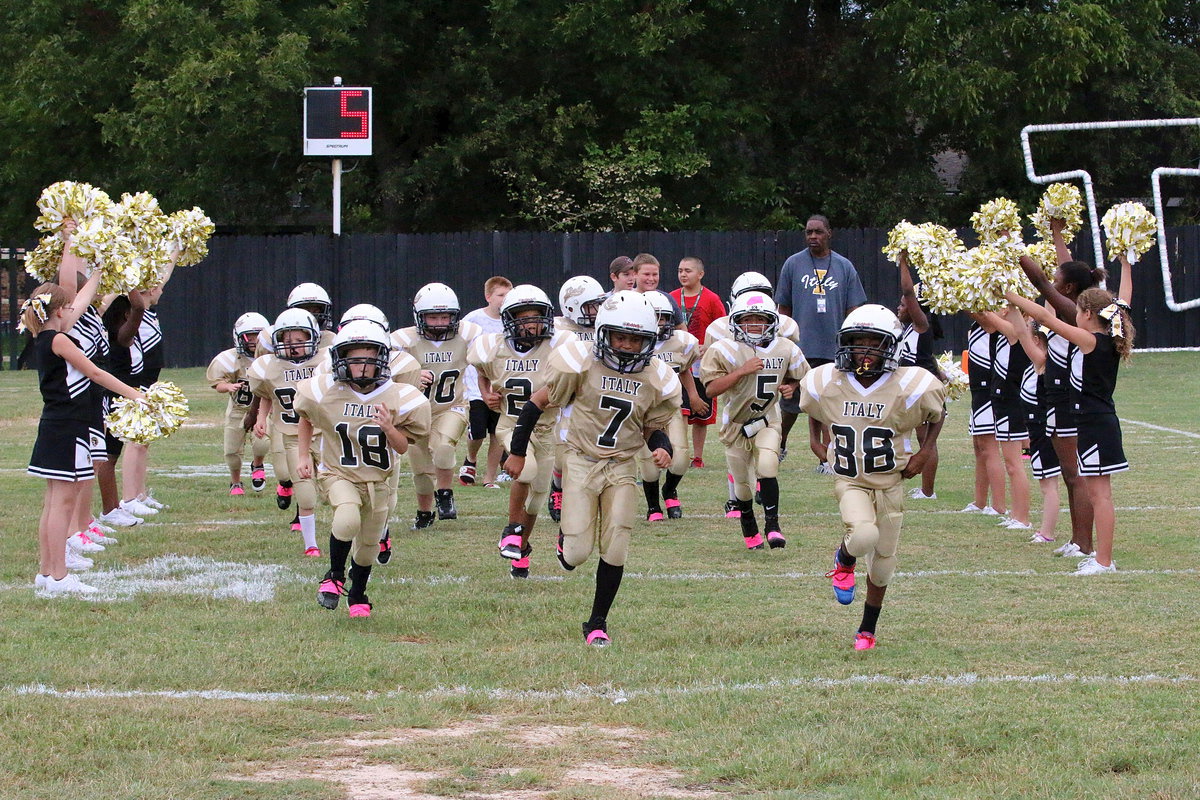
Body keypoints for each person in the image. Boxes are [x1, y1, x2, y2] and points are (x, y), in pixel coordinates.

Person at [504, 290, 681, 645]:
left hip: (621, 465)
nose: (628, 346)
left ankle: (597, 622)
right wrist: (519, 452)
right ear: (604, 333)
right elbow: (536, 403)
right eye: (621, 337)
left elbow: (651, 427)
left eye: (636, 339)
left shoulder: (657, 377)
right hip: (581, 460)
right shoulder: (578, 363)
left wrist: (662, 447)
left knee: (616, 545)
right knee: (576, 554)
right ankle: (565, 540)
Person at [800, 305, 945, 650]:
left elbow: (937, 414)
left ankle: (867, 629)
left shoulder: (912, 385)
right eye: (857, 341)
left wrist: (926, 451)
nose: (863, 350)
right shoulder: (826, 381)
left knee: (882, 566)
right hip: (850, 480)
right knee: (863, 534)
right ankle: (844, 560)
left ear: (890, 347)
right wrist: (814, 439)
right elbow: (814, 407)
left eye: (872, 342)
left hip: (891, 482)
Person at [1006, 253, 1134, 574]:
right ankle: (1098, 556)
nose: (1072, 314)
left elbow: (1049, 320)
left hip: (1097, 425)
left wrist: (1010, 295)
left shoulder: (1093, 341)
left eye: (1076, 310)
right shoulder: (1097, 339)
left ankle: (1104, 561)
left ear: (1088, 314)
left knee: (1100, 496)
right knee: (1094, 491)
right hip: (1090, 424)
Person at [295, 320, 432, 618]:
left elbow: (403, 447)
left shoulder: (401, 396)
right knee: (346, 519)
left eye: (367, 359)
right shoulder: (323, 390)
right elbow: (305, 415)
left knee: (369, 545)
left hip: (378, 480)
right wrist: (303, 454)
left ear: (381, 360)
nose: (360, 368)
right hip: (338, 473)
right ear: (341, 359)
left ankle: (358, 593)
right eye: (353, 359)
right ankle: (333, 576)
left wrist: (389, 427)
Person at [24, 285, 144, 595]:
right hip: (67, 427)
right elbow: (96, 373)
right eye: (69, 308)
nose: (74, 311)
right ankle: (59, 577)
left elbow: (78, 301)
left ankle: (47, 573)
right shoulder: (60, 340)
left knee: (53, 503)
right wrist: (136, 395)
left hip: (56, 425)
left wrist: (98, 272)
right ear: (60, 311)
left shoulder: (44, 338)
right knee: (61, 503)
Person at [1017, 225, 1105, 560]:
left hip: (1068, 400)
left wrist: (1011, 248)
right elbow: (1063, 272)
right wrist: (1056, 235)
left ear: (1067, 287)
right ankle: (1077, 539)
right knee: (1070, 475)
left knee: (1074, 473)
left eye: (1058, 278)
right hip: (1054, 398)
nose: (1052, 280)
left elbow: (1042, 284)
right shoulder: (1069, 306)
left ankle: (1084, 543)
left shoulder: (1073, 313)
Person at [468, 284, 568, 578]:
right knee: (525, 470)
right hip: (511, 425)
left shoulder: (559, 345)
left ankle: (521, 550)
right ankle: (511, 530)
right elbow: (482, 371)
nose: (530, 324)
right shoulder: (492, 347)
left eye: (535, 317)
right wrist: (486, 393)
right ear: (510, 320)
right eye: (523, 318)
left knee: (537, 497)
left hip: (547, 430)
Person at [700, 292, 808, 549]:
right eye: (747, 319)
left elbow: (803, 377)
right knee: (743, 486)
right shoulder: (723, 349)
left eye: (760, 319)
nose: (754, 325)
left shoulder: (786, 347)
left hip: (767, 418)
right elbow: (711, 390)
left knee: (769, 464)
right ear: (736, 322)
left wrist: (791, 386)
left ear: (772, 321)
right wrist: (741, 371)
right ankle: (749, 527)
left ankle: (773, 525)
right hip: (736, 424)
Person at [775, 215, 867, 467]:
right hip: (800, 347)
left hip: (833, 348)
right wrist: (785, 342)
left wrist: (850, 343)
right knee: (790, 404)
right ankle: (779, 444)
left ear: (829, 233)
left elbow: (854, 309)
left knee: (829, 404)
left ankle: (829, 457)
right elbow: (783, 307)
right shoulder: (793, 264)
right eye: (808, 232)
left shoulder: (844, 266)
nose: (813, 237)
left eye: (818, 232)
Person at [391, 282, 483, 528]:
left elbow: (487, 357)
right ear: (420, 317)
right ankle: (424, 512)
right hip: (414, 413)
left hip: (450, 407)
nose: (441, 322)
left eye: (445, 316)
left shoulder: (469, 334)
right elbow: (386, 373)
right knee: (421, 472)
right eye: (433, 317)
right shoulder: (402, 340)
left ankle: (444, 494)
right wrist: (410, 375)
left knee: (444, 448)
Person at [248, 308, 326, 555]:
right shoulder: (269, 367)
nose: (293, 346)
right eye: (287, 341)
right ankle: (310, 544)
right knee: (305, 491)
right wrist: (261, 417)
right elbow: (267, 395)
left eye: (300, 340)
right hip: (292, 435)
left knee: (333, 489)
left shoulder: (326, 362)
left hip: (327, 435)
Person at [640, 291, 704, 520]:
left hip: (671, 406)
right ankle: (653, 505)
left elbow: (683, 370)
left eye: (664, 317)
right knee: (649, 462)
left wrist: (694, 395)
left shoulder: (680, 342)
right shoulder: (633, 341)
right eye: (654, 317)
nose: (660, 323)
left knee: (680, 457)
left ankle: (669, 489)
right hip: (643, 410)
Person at [547, 275, 606, 521]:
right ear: (572, 306)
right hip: (568, 396)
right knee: (562, 453)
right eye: (592, 305)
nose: (598, 310)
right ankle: (557, 488)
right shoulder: (558, 329)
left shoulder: (605, 324)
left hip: (598, 394)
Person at [1005, 306, 1061, 544]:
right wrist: (1012, 307)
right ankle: (1045, 530)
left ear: (1038, 340)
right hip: (1036, 431)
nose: (1025, 339)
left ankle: (1047, 533)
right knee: (1046, 483)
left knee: (1049, 485)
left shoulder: (1043, 362)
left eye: (1030, 336)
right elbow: (1022, 332)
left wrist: (1013, 306)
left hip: (1045, 431)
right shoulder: (1034, 364)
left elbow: (1023, 334)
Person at [895, 252, 945, 501]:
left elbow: (908, 292)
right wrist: (944, 373)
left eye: (903, 306)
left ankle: (928, 491)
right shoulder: (910, 330)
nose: (900, 307)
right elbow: (927, 356)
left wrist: (903, 262)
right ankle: (926, 488)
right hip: (916, 386)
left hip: (922, 389)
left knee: (926, 440)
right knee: (921, 437)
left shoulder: (920, 324)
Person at [670, 256, 725, 469]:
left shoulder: (711, 299)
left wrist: (709, 347)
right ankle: (679, 453)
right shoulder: (672, 297)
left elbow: (723, 328)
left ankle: (698, 457)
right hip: (679, 362)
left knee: (701, 414)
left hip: (702, 363)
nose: (683, 274)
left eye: (688, 271)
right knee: (681, 409)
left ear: (700, 274)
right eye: (680, 270)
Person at [207, 312, 270, 496]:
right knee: (232, 452)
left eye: (258, 336)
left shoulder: (270, 357)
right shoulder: (229, 359)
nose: (253, 341)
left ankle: (257, 464)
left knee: (262, 443)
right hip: (238, 408)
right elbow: (216, 383)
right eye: (249, 336)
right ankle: (235, 482)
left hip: (262, 409)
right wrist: (228, 386)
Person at [459, 277, 512, 489]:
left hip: (501, 386)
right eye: (500, 295)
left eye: (508, 296)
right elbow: (461, 348)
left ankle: (489, 478)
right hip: (475, 387)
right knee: (478, 431)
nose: (504, 300)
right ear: (488, 297)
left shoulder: (511, 320)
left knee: (497, 433)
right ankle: (470, 459)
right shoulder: (473, 319)